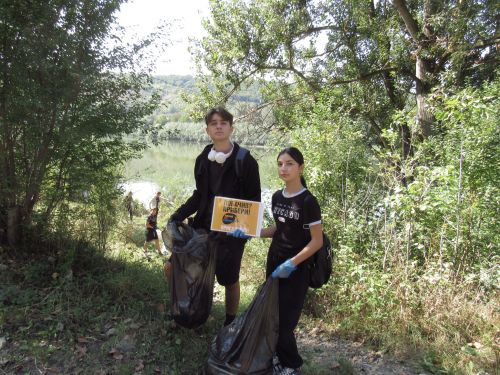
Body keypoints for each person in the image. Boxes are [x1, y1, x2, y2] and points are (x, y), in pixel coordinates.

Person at [230, 147, 323, 375]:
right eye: (280, 163)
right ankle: (279, 358)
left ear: (300, 168)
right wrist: (253, 232)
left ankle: (292, 365)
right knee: (272, 315)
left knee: (286, 322)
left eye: (290, 163)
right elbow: (279, 230)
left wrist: (292, 263)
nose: (284, 168)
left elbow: (317, 241)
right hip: (274, 263)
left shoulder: (308, 201)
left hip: (297, 268)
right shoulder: (277, 197)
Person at [166, 106, 261, 326]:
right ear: (207, 129)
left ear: (231, 127)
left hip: (231, 233)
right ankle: (192, 309)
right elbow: (199, 195)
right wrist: (178, 215)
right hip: (202, 229)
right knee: (175, 266)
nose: (218, 126)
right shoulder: (202, 159)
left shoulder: (246, 161)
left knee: (229, 279)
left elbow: (254, 202)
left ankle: (229, 322)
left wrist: (245, 230)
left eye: (223, 123)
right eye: (213, 123)